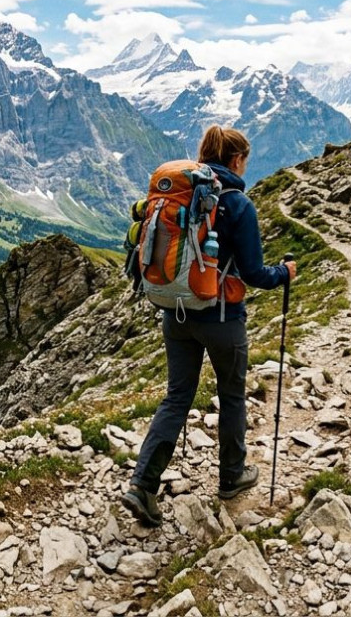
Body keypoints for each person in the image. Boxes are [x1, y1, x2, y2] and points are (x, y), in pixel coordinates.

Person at [121, 125, 298, 528]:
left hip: (176, 314)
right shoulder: (237, 203)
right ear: (236, 159)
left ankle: (142, 485)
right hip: (222, 319)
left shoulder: (183, 194)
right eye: (245, 160)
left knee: (177, 397)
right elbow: (254, 273)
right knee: (231, 395)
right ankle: (232, 476)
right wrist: (284, 273)